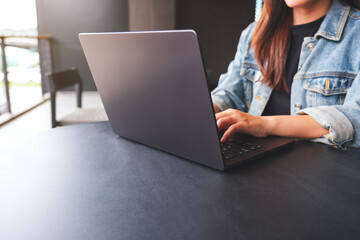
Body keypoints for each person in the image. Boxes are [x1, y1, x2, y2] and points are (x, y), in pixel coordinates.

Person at [211, 0, 360, 149]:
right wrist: (202, 111)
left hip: (321, 169)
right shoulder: (254, 32)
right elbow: (230, 94)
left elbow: (355, 117)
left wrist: (262, 124)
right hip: (253, 163)